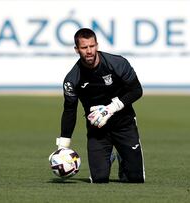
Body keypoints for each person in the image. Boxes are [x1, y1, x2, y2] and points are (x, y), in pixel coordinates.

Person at [56, 28, 145, 183]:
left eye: (92, 46)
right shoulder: (72, 79)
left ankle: (123, 159)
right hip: (98, 130)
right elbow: (70, 110)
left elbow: (137, 90)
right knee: (99, 178)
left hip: (124, 124)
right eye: (84, 48)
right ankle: (108, 157)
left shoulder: (117, 63)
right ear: (77, 50)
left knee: (135, 178)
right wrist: (63, 145)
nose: (89, 51)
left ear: (97, 45)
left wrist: (111, 108)